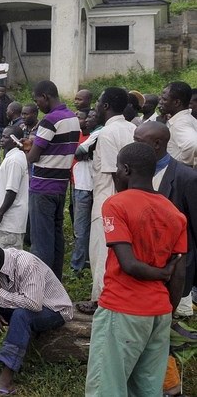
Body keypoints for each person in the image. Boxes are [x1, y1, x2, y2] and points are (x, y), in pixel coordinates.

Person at [84, 142, 187, 396]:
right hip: (159, 313)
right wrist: (167, 309)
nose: (116, 174)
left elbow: (128, 264)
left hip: (122, 309)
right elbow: (179, 272)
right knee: (147, 389)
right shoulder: (174, 213)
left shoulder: (116, 204)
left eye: (118, 169)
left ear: (126, 170)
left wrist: (163, 273)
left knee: (106, 387)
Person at [0, 245, 73, 396]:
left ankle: (7, 378)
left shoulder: (28, 264)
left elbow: (33, 304)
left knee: (21, 315)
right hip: (20, 304)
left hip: (53, 309)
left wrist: (0, 292)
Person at [134, 121, 197, 318]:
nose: (133, 145)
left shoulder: (185, 177)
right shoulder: (133, 171)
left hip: (173, 267)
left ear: (157, 144)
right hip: (143, 265)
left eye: (138, 141)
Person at [81, 87, 136, 313]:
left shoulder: (107, 134)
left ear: (105, 106)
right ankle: (115, 296)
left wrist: (119, 205)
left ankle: (101, 301)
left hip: (108, 202)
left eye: (98, 102)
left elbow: (116, 173)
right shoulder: (134, 127)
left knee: (101, 253)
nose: (94, 106)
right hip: (130, 201)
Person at [25, 80, 80, 280]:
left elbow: (33, 157)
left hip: (42, 187)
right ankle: (55, 282)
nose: (36, 104)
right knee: (56, 237)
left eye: (36, 100)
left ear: (45, 97)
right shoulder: (72, 118)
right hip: (60, 186)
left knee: (40, 241)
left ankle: (40, 285)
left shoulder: (50, 120)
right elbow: (57, 147)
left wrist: (25, 150)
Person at [0, 127, 29, 250]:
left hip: (10, 221)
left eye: (5, 137)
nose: (1, 139)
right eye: (2, 136)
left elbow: (12, 191)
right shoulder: (14, 157)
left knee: (9, 259)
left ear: (14, 141)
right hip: (10, 221)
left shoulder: (15, 161)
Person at [71, 112, 95, 273]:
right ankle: (83, 258)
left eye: (82, 117)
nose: (79, 120)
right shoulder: (77, 135)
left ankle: (77, 266)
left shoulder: (94, 136)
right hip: (75, 182)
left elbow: (78, 153)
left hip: (87, 186)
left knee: (82, 228)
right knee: (78, 225)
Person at [160, 81, 197, 167]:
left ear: (177, 102)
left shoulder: (180, 123)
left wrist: (181, 166)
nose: (161, 102)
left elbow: (194, 146)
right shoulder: (186, 118)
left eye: (164, 99)